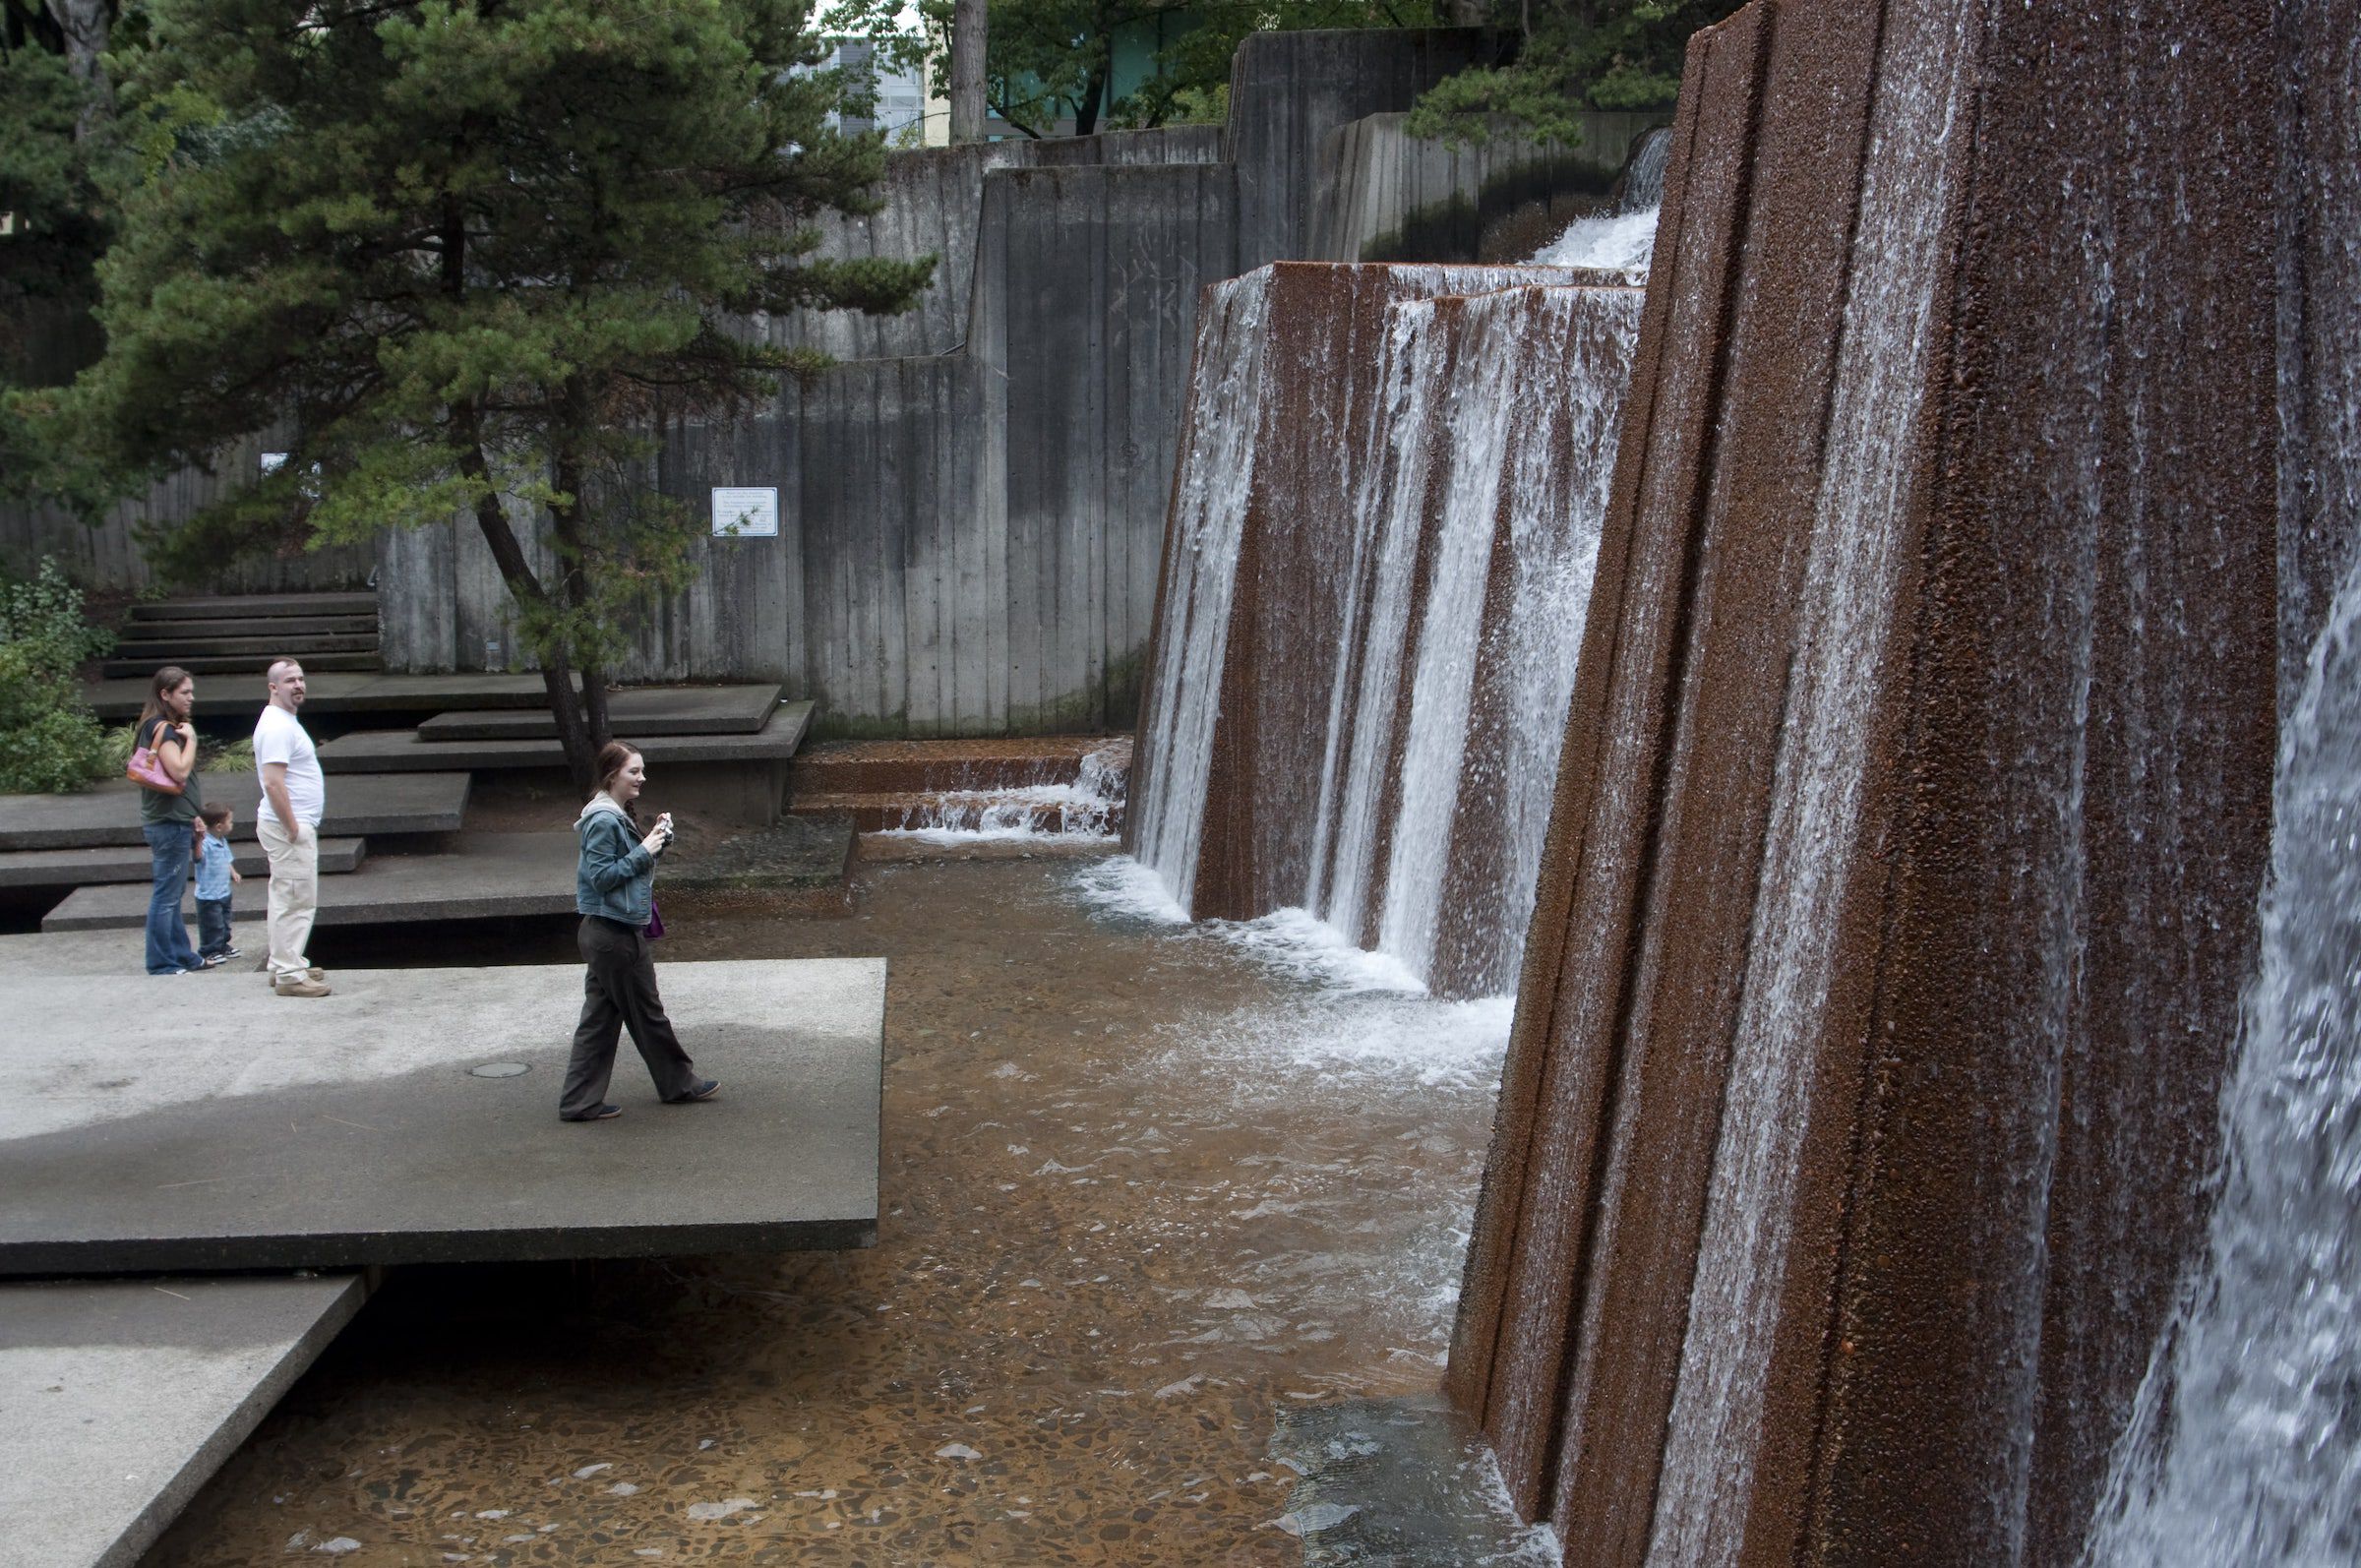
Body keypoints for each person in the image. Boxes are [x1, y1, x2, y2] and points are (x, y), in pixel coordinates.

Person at [561, 740, 718, 1122]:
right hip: (614, 937)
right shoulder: (602, 819)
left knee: (599, 1022)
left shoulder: (612, 813)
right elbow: (600, 878)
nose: (642, 778)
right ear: (613, 774)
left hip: (608, 934)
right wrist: (644, 850)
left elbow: (626, 869)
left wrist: (657, 842)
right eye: (634, 771)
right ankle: (679, 1084)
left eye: (642, 771)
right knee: (648, 1015)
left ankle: (579, 1102)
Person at [253, 657, 330, 997]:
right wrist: (293, 827)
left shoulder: (283, 721)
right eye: (289, 681)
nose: (298, 685)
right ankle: (289, 974)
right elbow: (272, 783)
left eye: (300, 679)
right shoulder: (277, 726)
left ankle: (284, 961)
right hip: (288, 827)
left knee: (287, 895)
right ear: (273, 687)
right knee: (297, 899)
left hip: (289, 824)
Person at [134, 666, 206, 976]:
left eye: (191, 691)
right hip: (167, 824)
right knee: (166, 894)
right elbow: (178, 772)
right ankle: (161, 962)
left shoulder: (158, 726)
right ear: (165, 694)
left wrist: (194, 816)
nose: (191, 697)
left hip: (176, 820)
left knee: (173, 893)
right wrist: (191, 741)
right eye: (184, 692)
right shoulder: (162, 729)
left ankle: (182, 954)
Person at [192, 802, 244, 968]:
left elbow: (226, 859)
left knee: (224, 921)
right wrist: (198, 840)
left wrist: (233, 872)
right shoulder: (206, 842)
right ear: (219, 826)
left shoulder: (222, 841)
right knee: (211, 923)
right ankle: (209, 949)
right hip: (209, 894)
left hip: (223, 890)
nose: (232, 824)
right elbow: (198, 858)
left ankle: (222, 945)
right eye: (230, 821)